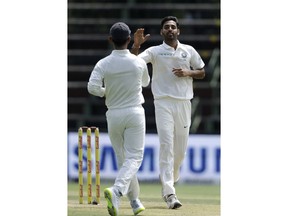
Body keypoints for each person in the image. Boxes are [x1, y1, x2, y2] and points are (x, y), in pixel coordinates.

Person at [131, 16, 206, 209]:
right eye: (166, 27)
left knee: (179, 152)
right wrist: (136, 45)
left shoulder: (188, 50)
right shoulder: (155, 51)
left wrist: (188, 72)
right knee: (166, 145)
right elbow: (134, 63)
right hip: (162, 102)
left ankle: (169, 179)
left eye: (173, 27)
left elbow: (202, 71)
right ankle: (169, 192)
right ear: (162, 32)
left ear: (178, 31)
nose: (170, 30)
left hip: (183, 103)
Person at [87, 22, 150, 216]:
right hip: (134, 113)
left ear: (110, 40)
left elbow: (92, 88)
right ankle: (117, 191)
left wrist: (108, 91)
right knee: (134, 157)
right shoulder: (138, 62)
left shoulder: (103, 63)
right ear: (129, 40)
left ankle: (134, 201)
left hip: (113, 113)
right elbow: (146, 82)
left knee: (124, 159)